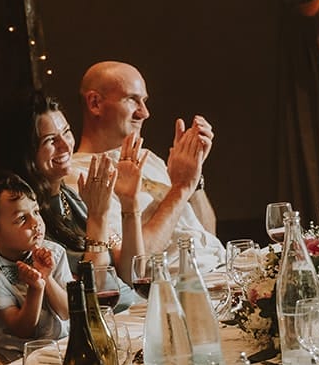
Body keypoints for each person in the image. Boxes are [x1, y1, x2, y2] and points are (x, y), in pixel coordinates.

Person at [67, 61, 219, 260]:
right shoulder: (79, 177)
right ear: (95, 103)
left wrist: (194, 179)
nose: (144, 113)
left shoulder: (150, 159)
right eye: (132, 99)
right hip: (179, 285)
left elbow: (210, 236)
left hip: (222, 267)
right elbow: (135, 263)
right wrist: (180, 189)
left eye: (144, 101)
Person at [18, 94, 139, 305]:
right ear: (28, 153)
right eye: (50, 140)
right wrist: (98, 217)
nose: (65, 145)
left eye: (66, 132)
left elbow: (133, 273)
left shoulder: (69, 195)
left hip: (128, 313)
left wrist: (129, 202)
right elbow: (91, 295)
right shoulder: (28, 216)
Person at [0, 172, 72, 364]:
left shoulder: (54, 253)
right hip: (12, 358)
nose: (36, 222)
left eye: (36, 212)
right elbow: (23, 330)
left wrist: (47, 278)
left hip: (57, 349)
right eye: (21, 219)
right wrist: (35, 288)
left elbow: (66, 311)